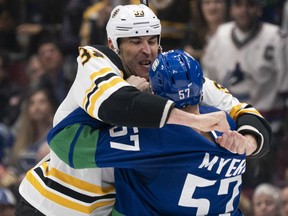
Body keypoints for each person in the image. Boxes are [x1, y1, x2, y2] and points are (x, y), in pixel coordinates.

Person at [16, 4, 271, 216]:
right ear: (113, 43)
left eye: (152, 40)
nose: (147, 50)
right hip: (48, 203)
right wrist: (195, 122)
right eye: (135, 41)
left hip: (101, 209)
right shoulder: (96, 60)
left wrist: (246, 143)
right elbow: (118, 103)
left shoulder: (169, 76)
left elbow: (242, 110)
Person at [46, 50, 248, 215]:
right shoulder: (227, 123)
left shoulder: (152, 136)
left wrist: (119, 98)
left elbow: (64, 143)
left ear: (154, 92)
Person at [201, 0, 288, 187]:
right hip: (226, 132)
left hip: (270, 131)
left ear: (259, 9)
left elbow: (285, 90)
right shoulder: (220, 36)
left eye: (251, 5)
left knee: (264, 191)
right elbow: (206, 89)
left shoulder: (277, 38)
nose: (244, 11)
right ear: (231, 9)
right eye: (238, 5)